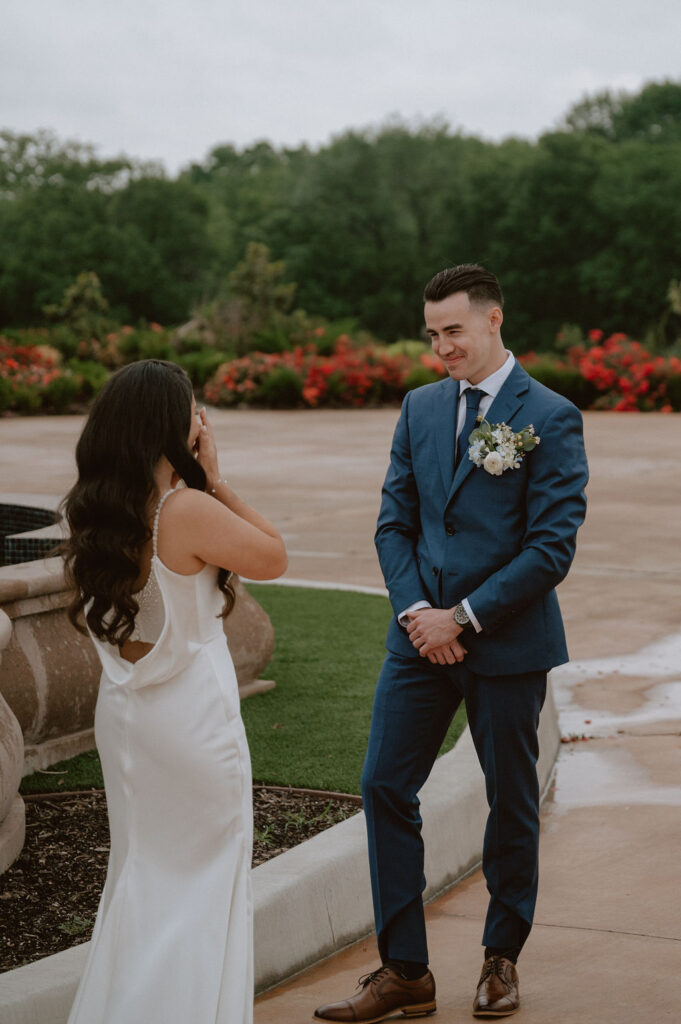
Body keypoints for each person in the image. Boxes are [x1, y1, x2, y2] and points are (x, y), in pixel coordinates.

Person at [314, 264, 588, 1021]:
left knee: (510, 804)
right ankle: (404, 971)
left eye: (453, 330)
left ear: (493, 320)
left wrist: (460, 617)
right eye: (432, 333)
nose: (441, 346)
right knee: (381, 786)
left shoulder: (552, 416)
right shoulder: (420, 407)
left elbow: (550, 547)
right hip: (417, 642)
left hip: (503, 642)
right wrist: (416, 615)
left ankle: (500, 960)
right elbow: (392, 522)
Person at [61, 359, 287, 1024]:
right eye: (192, 407)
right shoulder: (183, 510)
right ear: (168, 424)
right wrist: (216, 479)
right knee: (200, 888)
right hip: (191, 723)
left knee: (141, 880)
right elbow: (273, 556)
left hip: (129, 721)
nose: (200, 418)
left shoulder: (99, 510)